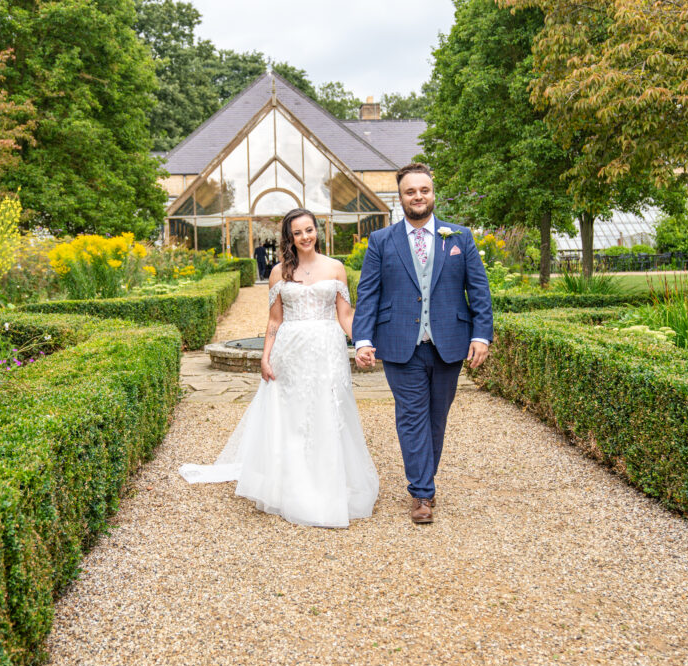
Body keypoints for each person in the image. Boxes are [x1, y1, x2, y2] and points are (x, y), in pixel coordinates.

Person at [179, 208, 379, 528]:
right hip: (292, 351)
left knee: (330, 410)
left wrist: (364, 342)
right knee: (295, 415)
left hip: (328, 350)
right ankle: (294, 484)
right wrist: (265, 356)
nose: (305, 237)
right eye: (297, 233)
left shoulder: (336, 268)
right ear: (290, 237)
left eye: (309, 230)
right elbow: (275, 320)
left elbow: (345, 316)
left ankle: (331, 481)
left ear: (318, 231)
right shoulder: (278, 272)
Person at [352, 162, 493, 525]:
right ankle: (422, 493)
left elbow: (478, 290)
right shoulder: (381, 241)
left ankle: (423, 479)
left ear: (433, 194)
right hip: (400, 342)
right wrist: (363, 338)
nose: (418, 197)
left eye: (424, 190)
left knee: (436, 417)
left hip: (450, 342)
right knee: (412, 416)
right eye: (410, 191)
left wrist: (481, 335)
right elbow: (368, 292)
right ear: (399, 197)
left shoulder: (459, 237)